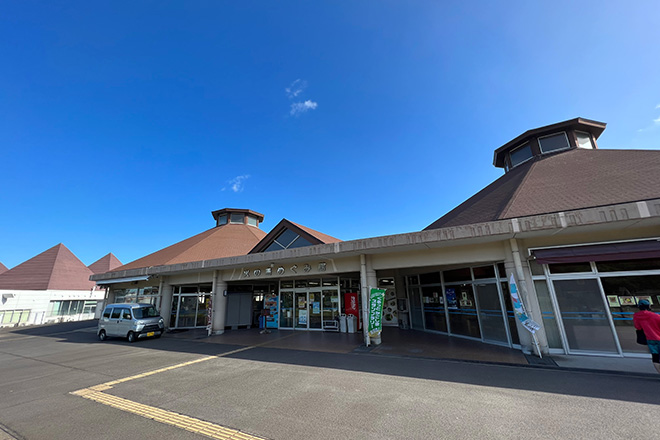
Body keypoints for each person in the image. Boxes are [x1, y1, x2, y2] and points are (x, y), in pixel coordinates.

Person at [633, 299, 660, 374]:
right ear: (648, 306)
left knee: (655, 357)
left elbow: (638, 327)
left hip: (650, 339)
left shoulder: (636, 316)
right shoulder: (656, 316)